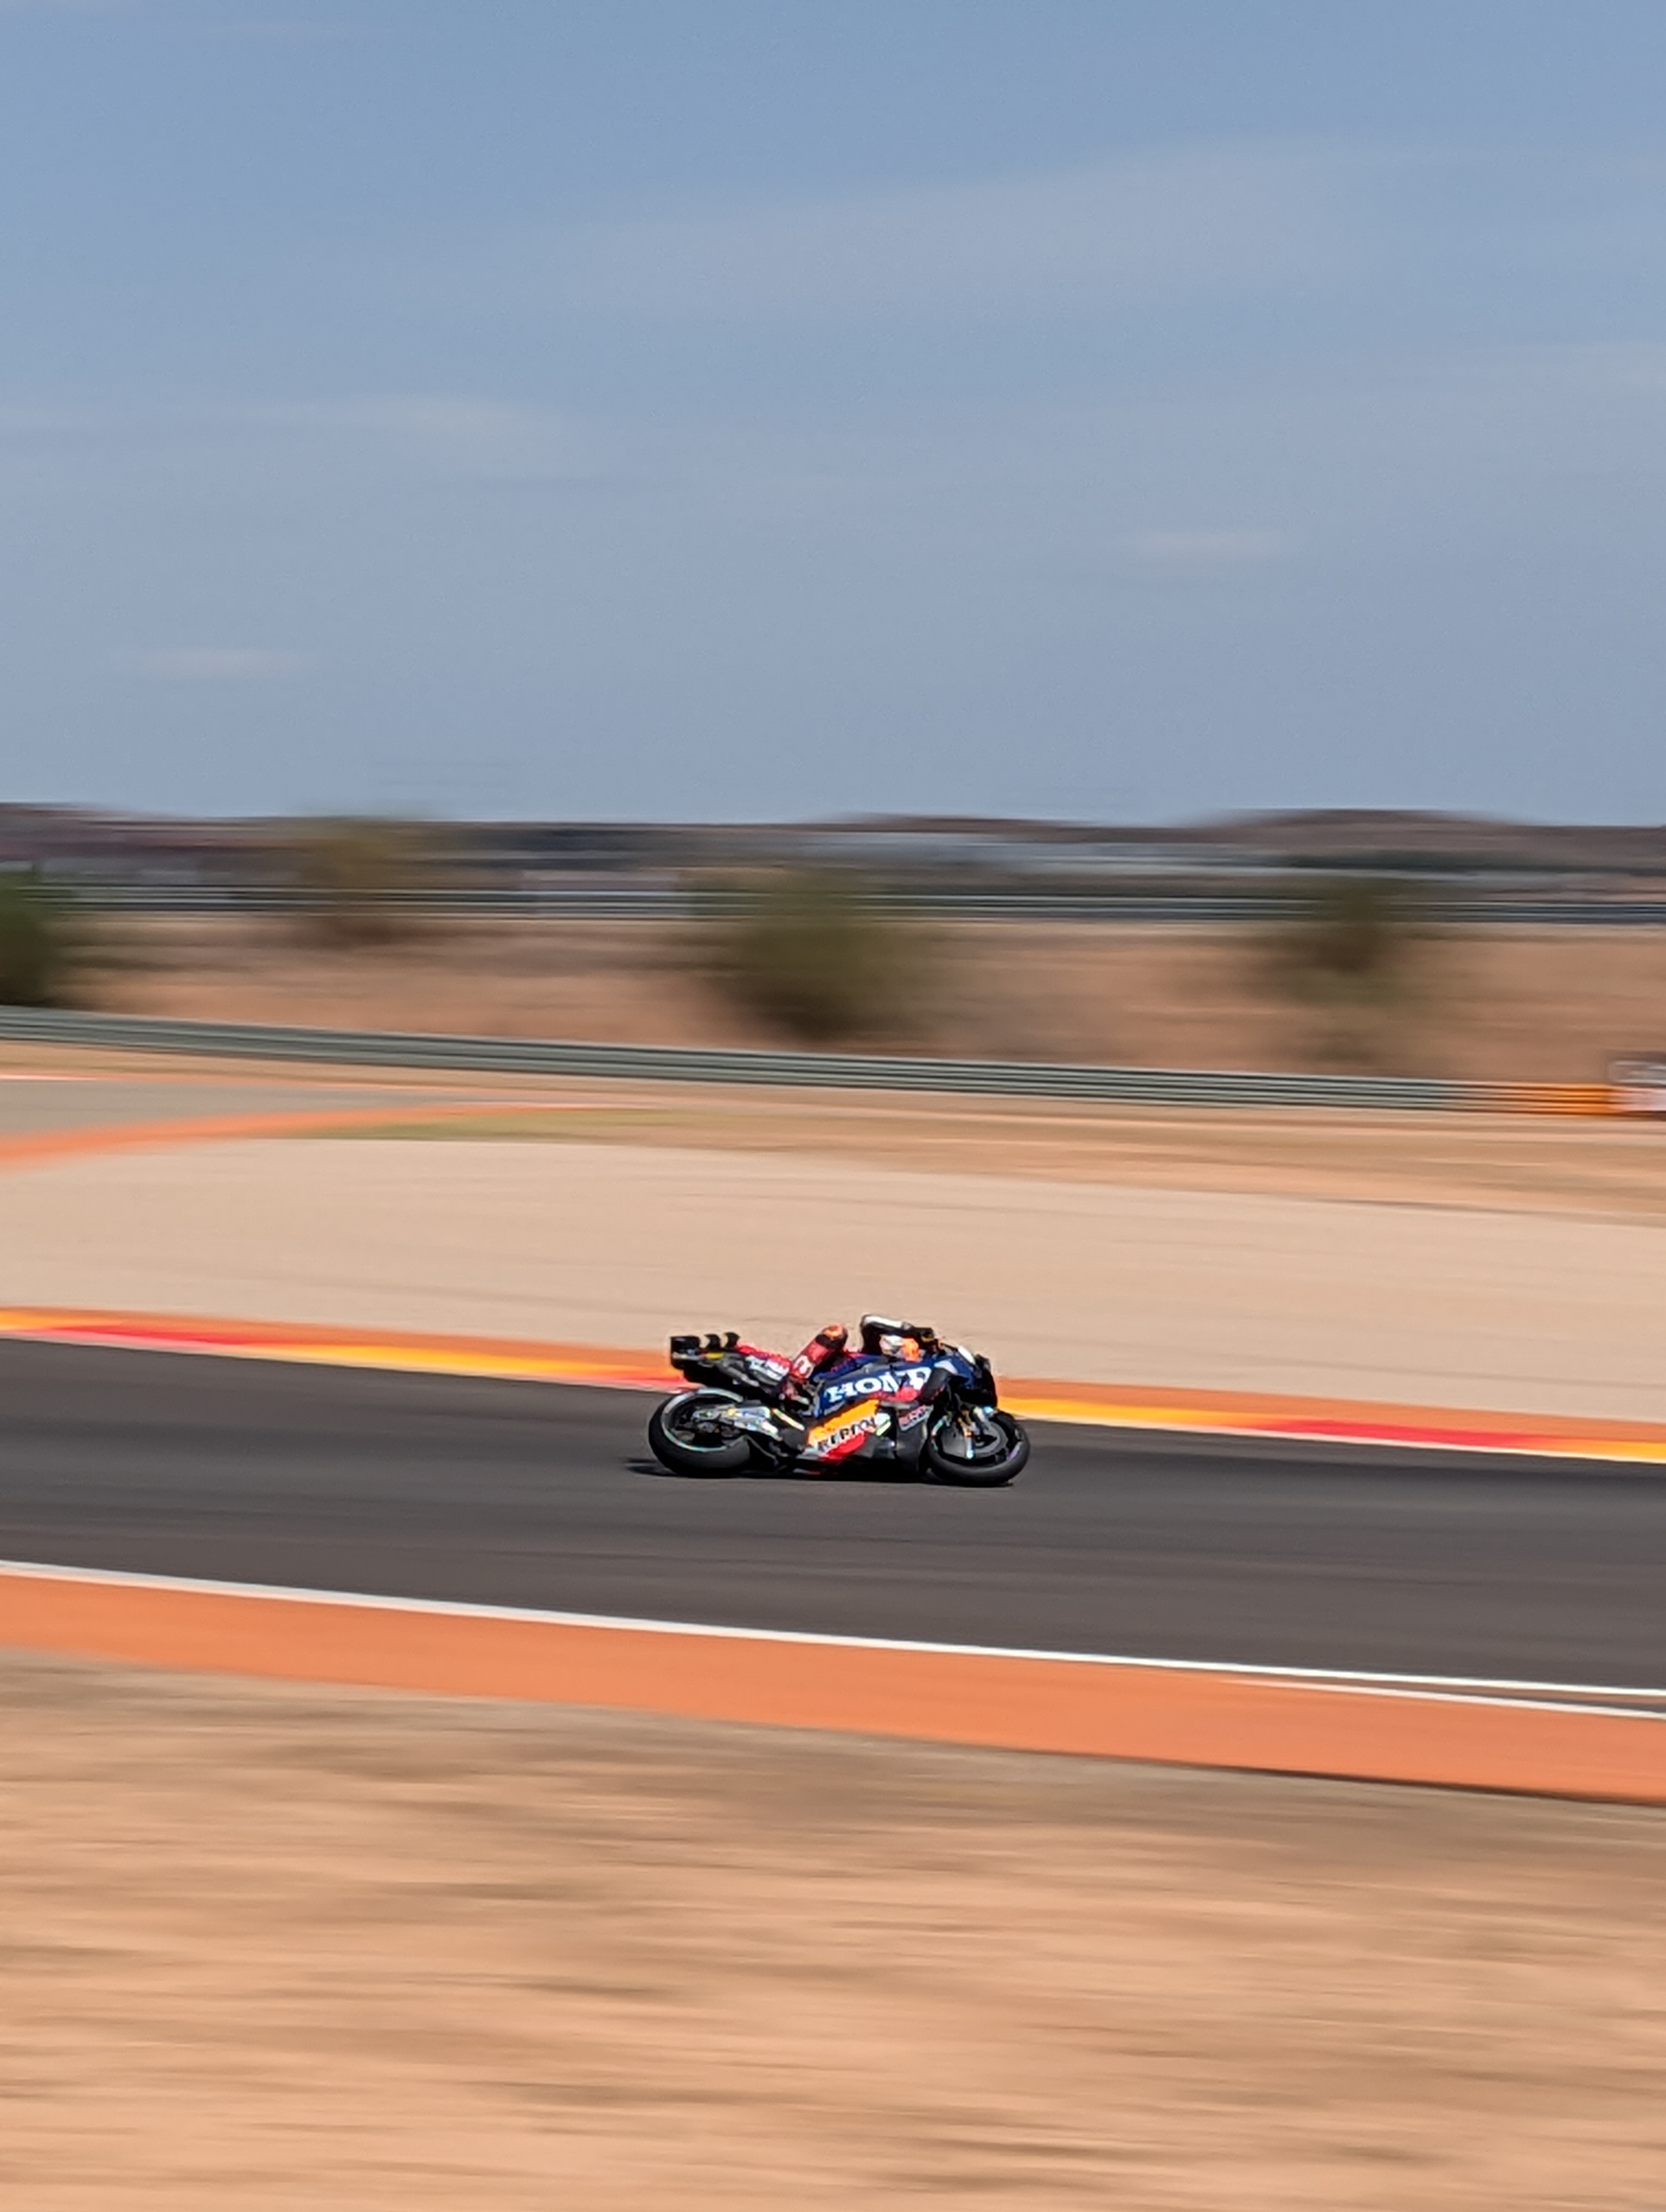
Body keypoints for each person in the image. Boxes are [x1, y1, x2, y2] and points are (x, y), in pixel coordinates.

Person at [786, 1314, 937, 1397]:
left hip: (836, 1405)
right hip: (816, 1380)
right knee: (836, 1333)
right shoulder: (872, 1353)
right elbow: (870, 1322)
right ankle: (793, 1381)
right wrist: (910, 1331)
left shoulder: (901, 1381)